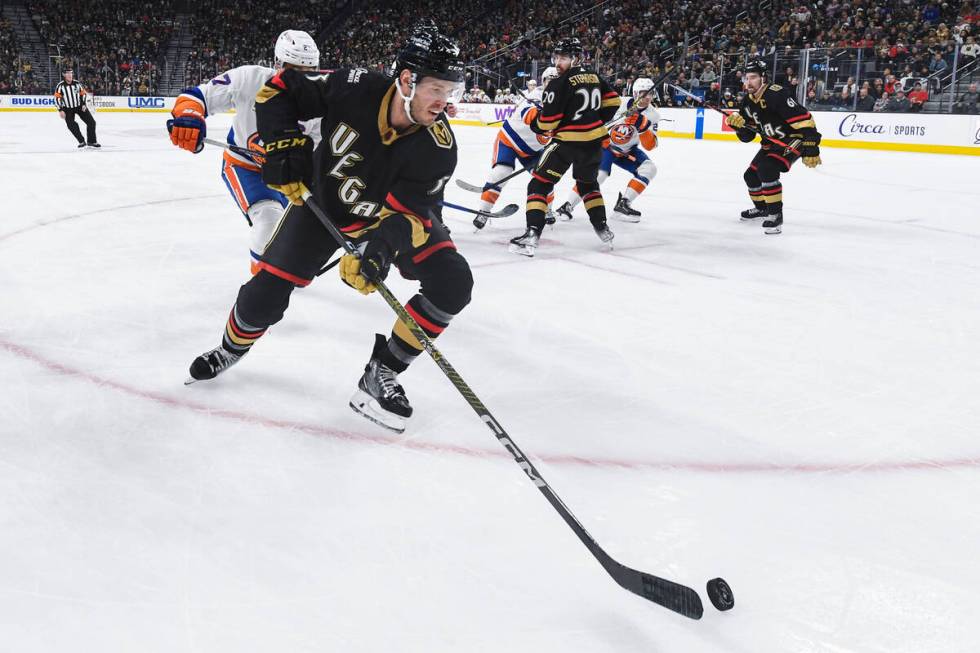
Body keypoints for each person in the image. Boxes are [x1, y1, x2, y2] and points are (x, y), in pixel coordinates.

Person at [185, 27, 472, 434]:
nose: (446, 103)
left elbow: (413, 215)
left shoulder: (439, 147)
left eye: (452, 91)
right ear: (407, 80)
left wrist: (381, 250)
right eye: (438, 89)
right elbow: (280, 89)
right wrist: (283, 143)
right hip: (322, 208)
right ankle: (230, 348)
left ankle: (382, 371)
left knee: (453, 283)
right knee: (262, 298)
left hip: (384, 220)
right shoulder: (353, 86)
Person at [167, 30, 321, 274]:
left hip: (289, 176)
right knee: (268, 220)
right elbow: (198, 97)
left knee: (295, 235)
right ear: (277, 64)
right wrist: (189, 116)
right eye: (294, 71)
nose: (301, 80)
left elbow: (323, 154)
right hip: (245, 166)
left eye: (309, 72)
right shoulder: (249, 79)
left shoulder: (321, 103)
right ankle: (262, 283)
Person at [509, 37, 620, 257]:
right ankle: (602, 228)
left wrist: (536, 122)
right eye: (556, 57)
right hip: (593, 142)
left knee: (538, 185)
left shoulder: (559, 83)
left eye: (563, 58)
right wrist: (596, 119)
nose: (558, 62)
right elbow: (614, 101)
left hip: (566, 144)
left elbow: (547, 124)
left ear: (576, 58)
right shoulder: (595, 76)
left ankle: (532, 234)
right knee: (588, 184)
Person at [726, 59, 821, 235]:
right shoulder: (747, 101)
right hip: (771, 143)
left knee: (767, 168)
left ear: (764, 78)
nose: (748, 82)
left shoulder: (777, 94)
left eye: (753, 77)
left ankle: (775, 215)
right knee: (751, 176)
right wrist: (738, 127)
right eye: (746, 78)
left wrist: (811, 147)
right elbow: (748, 137)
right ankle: (762, 209)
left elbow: (806, 120)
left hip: (792, 139)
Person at [555, 76, 659, 223]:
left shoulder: (653, 115)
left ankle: (623, 204)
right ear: (635, 93)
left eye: (650, 93)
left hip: (628, 150)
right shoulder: (619, 103)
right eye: (644, 92)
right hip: (606, 146)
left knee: (649, 169)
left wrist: (643, 127)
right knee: (599, 175)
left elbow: (651, 145)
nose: (648, 97)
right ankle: (567, 206)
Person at [472, 67, 560, 231]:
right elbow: (528, 116)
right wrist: (544, 113)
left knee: (546, 179)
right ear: (544, 82)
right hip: (510, 140)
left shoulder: (564, 102)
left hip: (534, 149)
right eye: (550, 81)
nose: (553, 85)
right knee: (501, 173)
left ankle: (548, 209)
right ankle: (484, 211)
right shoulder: (536, 96)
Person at [54, 69, 99, 148]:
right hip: (67, 109)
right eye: (67, 73)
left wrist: (84, 104)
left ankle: (91, 141)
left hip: (79, 106)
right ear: (64, 75)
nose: (70, 75)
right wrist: (60, 110)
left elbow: (83, 94)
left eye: (71, 73)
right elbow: (57, 99)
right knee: (71, 125)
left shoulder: (77, 83)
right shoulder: (60, 85)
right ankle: (81, 141)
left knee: (91, 122)